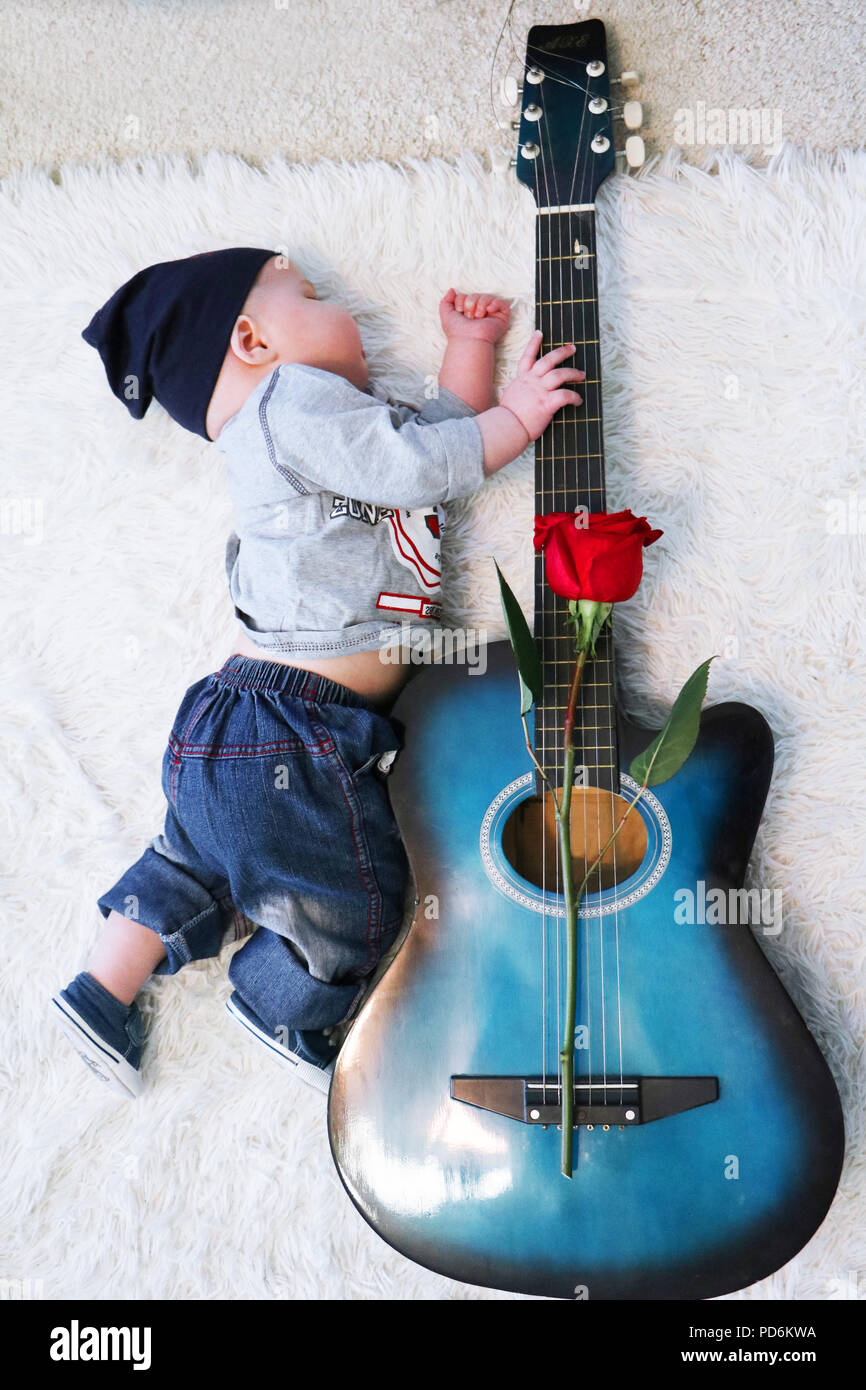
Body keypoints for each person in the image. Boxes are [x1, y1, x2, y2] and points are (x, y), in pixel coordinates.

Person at [50, 247, 585, 1097]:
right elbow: (429, 464)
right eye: (313, 294)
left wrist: (470, 350)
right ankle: (284, 1004)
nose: (340, 307)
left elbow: (429, 453)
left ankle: (102, 985)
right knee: (357, 894)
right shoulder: (291, 403)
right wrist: (517, 417)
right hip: (301, 733)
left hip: (235, 721)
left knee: (191, 855)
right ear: (254, 339)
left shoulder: (318, 431)